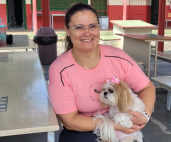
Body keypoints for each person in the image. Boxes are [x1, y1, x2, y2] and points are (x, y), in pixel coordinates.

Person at [48, 3, 156, 142]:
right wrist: (114, 126)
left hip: (120, 120)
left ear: (99, 28)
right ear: (67, 31)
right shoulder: (60, 69)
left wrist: (145, 115)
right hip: (84, 128)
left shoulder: (118, 57)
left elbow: (147, 87)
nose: (87, 32)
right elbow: (70, 120)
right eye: (79, 27)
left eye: (93, 26)